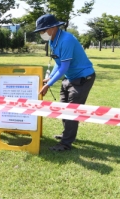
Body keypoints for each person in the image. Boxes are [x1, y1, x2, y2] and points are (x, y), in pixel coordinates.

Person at [33, 14, 96, 151]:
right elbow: (58, 62)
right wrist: (50, 78)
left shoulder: (66, 40)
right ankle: (66, 134)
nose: (41, 33)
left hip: (83, 78)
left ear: (53, 27)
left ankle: (65, 143)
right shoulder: (52, 40)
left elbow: (64, 66)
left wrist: (48, 84)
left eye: (43, 30)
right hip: (69, 77)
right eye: (40, 31)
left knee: (72, 110)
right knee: (63, 108)